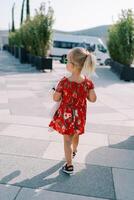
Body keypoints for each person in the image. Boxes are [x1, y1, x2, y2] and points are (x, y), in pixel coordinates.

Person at [49, 47, 97, 174]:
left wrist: (55, 91)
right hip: (80, 116)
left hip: (67, 116)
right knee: (75, 134)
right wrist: (85, 93)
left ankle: (69, 165)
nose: (66, 63)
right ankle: (74, 151)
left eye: (67, 61)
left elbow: (55, 98)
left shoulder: (64, 82)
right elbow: (93, 99)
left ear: (72, 65)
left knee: (67, 140)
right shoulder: (87, 82)